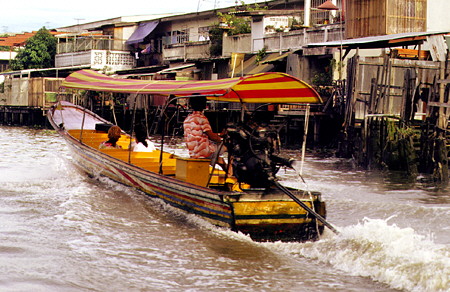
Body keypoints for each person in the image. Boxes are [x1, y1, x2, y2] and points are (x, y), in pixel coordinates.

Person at [183, 95, 229, 173]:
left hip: (193, 152)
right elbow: (212, 137)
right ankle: (231, 175)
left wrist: (220, 134)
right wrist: (223, 139)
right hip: (203, 152)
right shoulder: (202, 118)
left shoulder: (187, 119)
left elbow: (200, 133)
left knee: (218, 158)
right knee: (229, 148)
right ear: (204, 105)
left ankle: (222, 165)